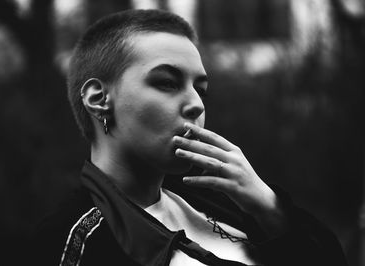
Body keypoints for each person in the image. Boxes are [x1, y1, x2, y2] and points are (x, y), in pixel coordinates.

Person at [32, 9, 348, 266]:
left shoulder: (227, 204)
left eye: (201, 89)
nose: (196, 103)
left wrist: (271, 209)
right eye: (167, 83)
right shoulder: (75, 241)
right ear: (99, 99)